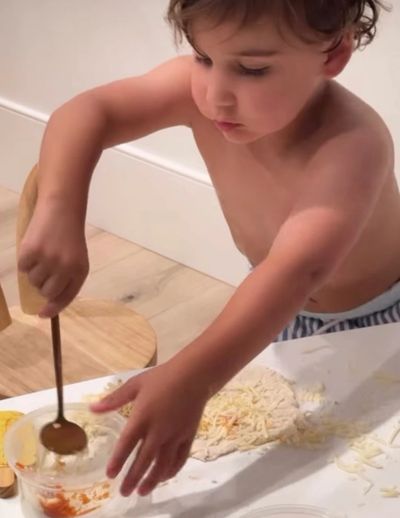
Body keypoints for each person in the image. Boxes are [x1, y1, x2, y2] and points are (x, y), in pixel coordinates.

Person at [18, 0, 396, 497]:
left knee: (365, 474)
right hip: (279, 306)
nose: (215, 96)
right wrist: (60, 208)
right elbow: (89, 111)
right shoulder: (194, 92)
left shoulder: (354, 144)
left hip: (380, 318)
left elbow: (297, 271)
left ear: (333, 53)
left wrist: (193, 379)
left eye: (252, 69)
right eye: (202, 56)